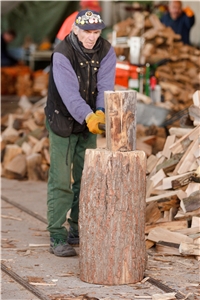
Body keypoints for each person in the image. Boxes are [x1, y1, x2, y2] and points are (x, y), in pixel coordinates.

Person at [44, 9, 116, 257]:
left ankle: (77, 229)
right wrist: (89, 116)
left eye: (96, 32)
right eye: (87, 32)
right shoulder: (62, 54)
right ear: (75, 30)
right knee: (61, 181)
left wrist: (101, 111)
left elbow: (106, 84)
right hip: (63, 119)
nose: (91, 37)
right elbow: (69, 94)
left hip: (89, 121)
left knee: (85, 180)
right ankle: (57, 235)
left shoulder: (106, 50)